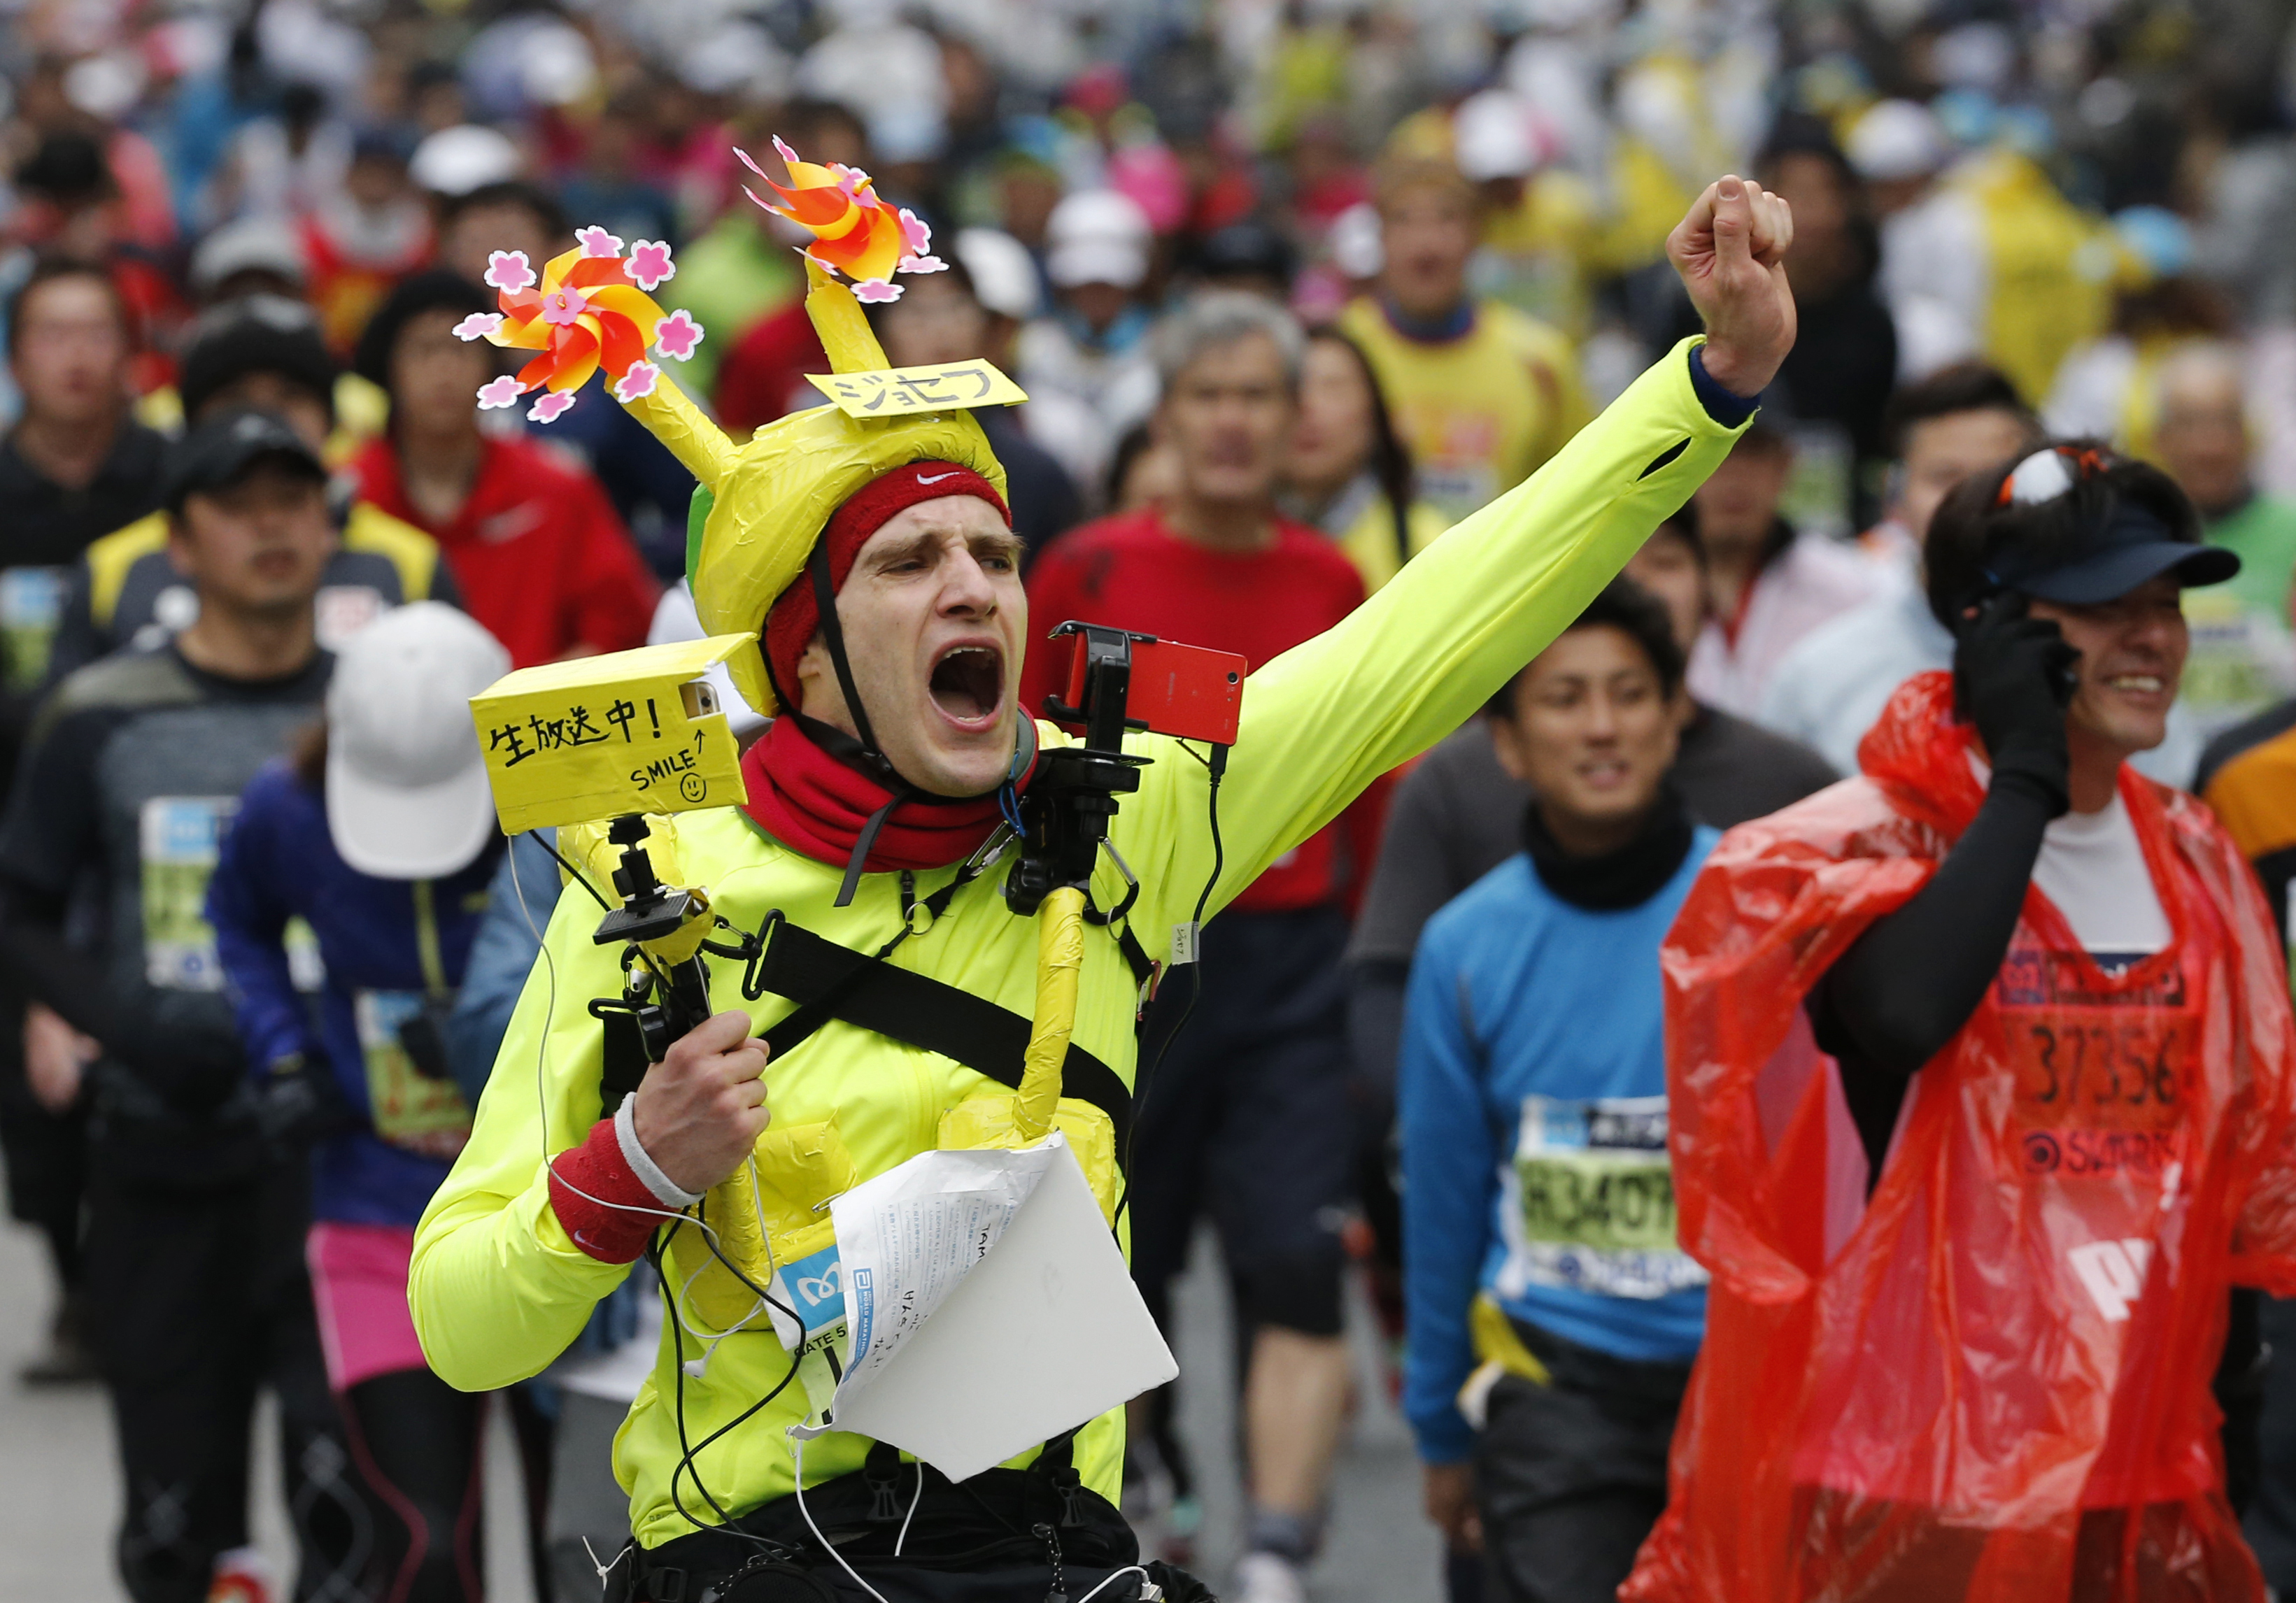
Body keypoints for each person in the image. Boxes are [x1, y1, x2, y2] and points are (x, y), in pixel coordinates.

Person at [406, 171, 1795, 1600]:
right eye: (907, 563)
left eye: (993, 555)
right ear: (806, 657)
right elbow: (461, 1326)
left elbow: (1440, 623)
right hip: (762, 1563)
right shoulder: (661, 889)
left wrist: (1712, 384)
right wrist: (631, 1169)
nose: (972, 589)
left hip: (1050, 1561)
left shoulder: (1134, 810)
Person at [1625, 443, 2296, 1601]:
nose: (2151, 638)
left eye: (2165, 605)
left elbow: (2224, 1170)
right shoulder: (1868, 840)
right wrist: (2024, 778)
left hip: (2137, 1468)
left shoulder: (2193, 857)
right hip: (1908, 1479)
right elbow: (1899, 1017)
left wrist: (2226, 1428)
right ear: (1990, 627)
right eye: (2102, 607)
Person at [1020, 293, 1374, 1602]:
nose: (1231, 422)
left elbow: (1363, 791)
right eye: (1206, 395)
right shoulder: (1085, 571)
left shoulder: (1327, 580)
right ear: (1162, 414)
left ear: (1299, 422)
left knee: (1291, 1248)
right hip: (1123, 961)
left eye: (1257, 397)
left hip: (1286, 961)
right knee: (1125, 1251)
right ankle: (1148, 1488)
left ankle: (1277, 1549)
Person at [0, 410, 362, 1602]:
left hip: (340, 1171)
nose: (272, 525)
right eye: (237, 502)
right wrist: (126, 1022)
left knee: (346, 1512)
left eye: (294, 498)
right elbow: (24, 906)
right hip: (160, 1154)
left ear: (329, 523)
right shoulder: (100, 711)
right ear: (178, 541)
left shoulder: (385, 709)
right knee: (174, 1525)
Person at [204, 601, 537, 1602]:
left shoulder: (563, 807)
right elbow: (238, 922)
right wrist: (285, 1054)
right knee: (426, 1544)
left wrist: (507, 1021)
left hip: (551, 1209)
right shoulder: (285, 808)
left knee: (585, 1549)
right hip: (374, 1205)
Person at [1401, 580, 1717, 1603]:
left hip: (1748, 1386)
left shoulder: (1758, 909)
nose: (1600, 727)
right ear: (1506, 740)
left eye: (1629, 694)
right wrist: (1440, 1427)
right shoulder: (1463, 947)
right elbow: (1442, 1206)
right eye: (1563, 698)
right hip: (1551, 1381)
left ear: (1675, 716)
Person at [0, 255, 170, 1386]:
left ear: (127, 352)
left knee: (143, 1045)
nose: (73, 355)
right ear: (17, 358)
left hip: (142, 811)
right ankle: (72, 1284)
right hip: (15, 819)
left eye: (93, 331)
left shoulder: (173, 483)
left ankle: (151, 1287)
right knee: (35, 1082)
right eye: (50, 332)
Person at [48, 295, 458, 682]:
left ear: (330, 421)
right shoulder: (111, 573)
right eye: (234, 399)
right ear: (193, 425)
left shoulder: (412, 566)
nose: (263, 418)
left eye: (290, 396)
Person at [348, 269, 659, 666]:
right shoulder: (349, 495)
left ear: (491, 366)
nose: (444, 370)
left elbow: (622, 626)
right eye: (423, 350)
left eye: (462, 349)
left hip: (539, 720)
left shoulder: (556, 488)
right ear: (388, 368)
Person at [1757, 363, 2040, 772]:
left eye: (2000, 479)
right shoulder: (1817, 677)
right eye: (1946, 478)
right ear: (1895, 496)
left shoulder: (2095, 659)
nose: (1975, 502)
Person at [1338, 150, 1589, 524]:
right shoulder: (1340, 351)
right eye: (1404, 221)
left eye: (1447, 219)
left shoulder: (1540, 358)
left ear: (1478, 236)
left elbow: (1579, 494)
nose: (1427, 245)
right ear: (1381, 239)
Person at [870, 250, 1082, 564]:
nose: (942, 330)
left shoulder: (1036, 473)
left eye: (957, 308)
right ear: (878, 334)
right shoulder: (852, 461)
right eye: (917, 312)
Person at [1682, 420, 1896, 717]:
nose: (1734, 474)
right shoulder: (1637, 583)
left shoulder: (1853, 585)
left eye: (1754, 452)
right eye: (1713, 448)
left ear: (1786, 465)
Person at [1284, 326, 1451, 594]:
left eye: (1333, 388)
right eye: (1291, 389)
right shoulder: (1223, 541)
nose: (1308, 406)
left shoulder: (1429, 547)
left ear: (1375, 412)